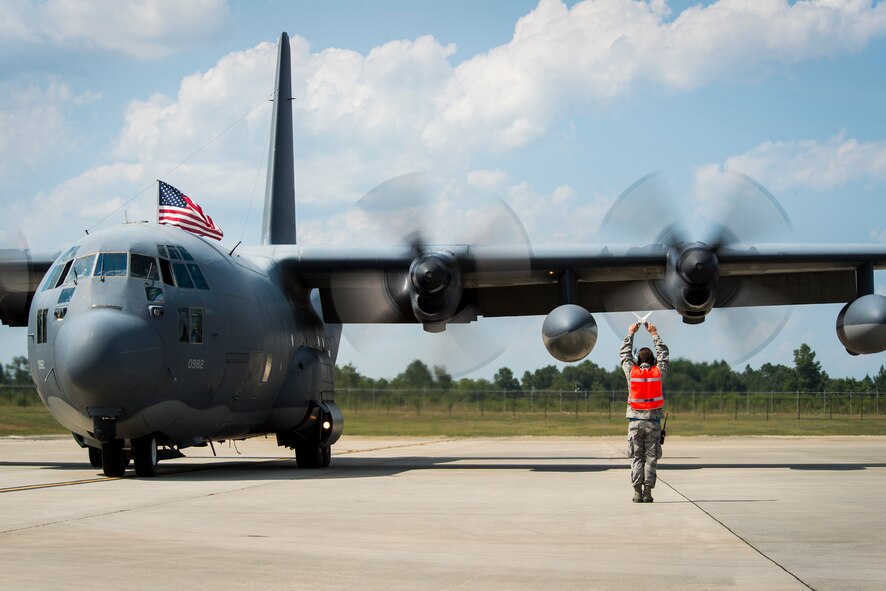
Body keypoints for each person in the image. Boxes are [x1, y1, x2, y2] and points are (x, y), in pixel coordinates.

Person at [620, 321, 669, 503]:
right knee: (651, 458)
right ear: (653, 361)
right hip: (653, 423)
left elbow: (624, 355)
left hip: (634, 422)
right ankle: (648, 492)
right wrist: (654, 333)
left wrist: (630, 332)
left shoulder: (632, 373)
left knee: (636, 458)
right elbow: (664, 355)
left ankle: (636, 493)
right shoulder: (658, 372)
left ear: (638, 361)